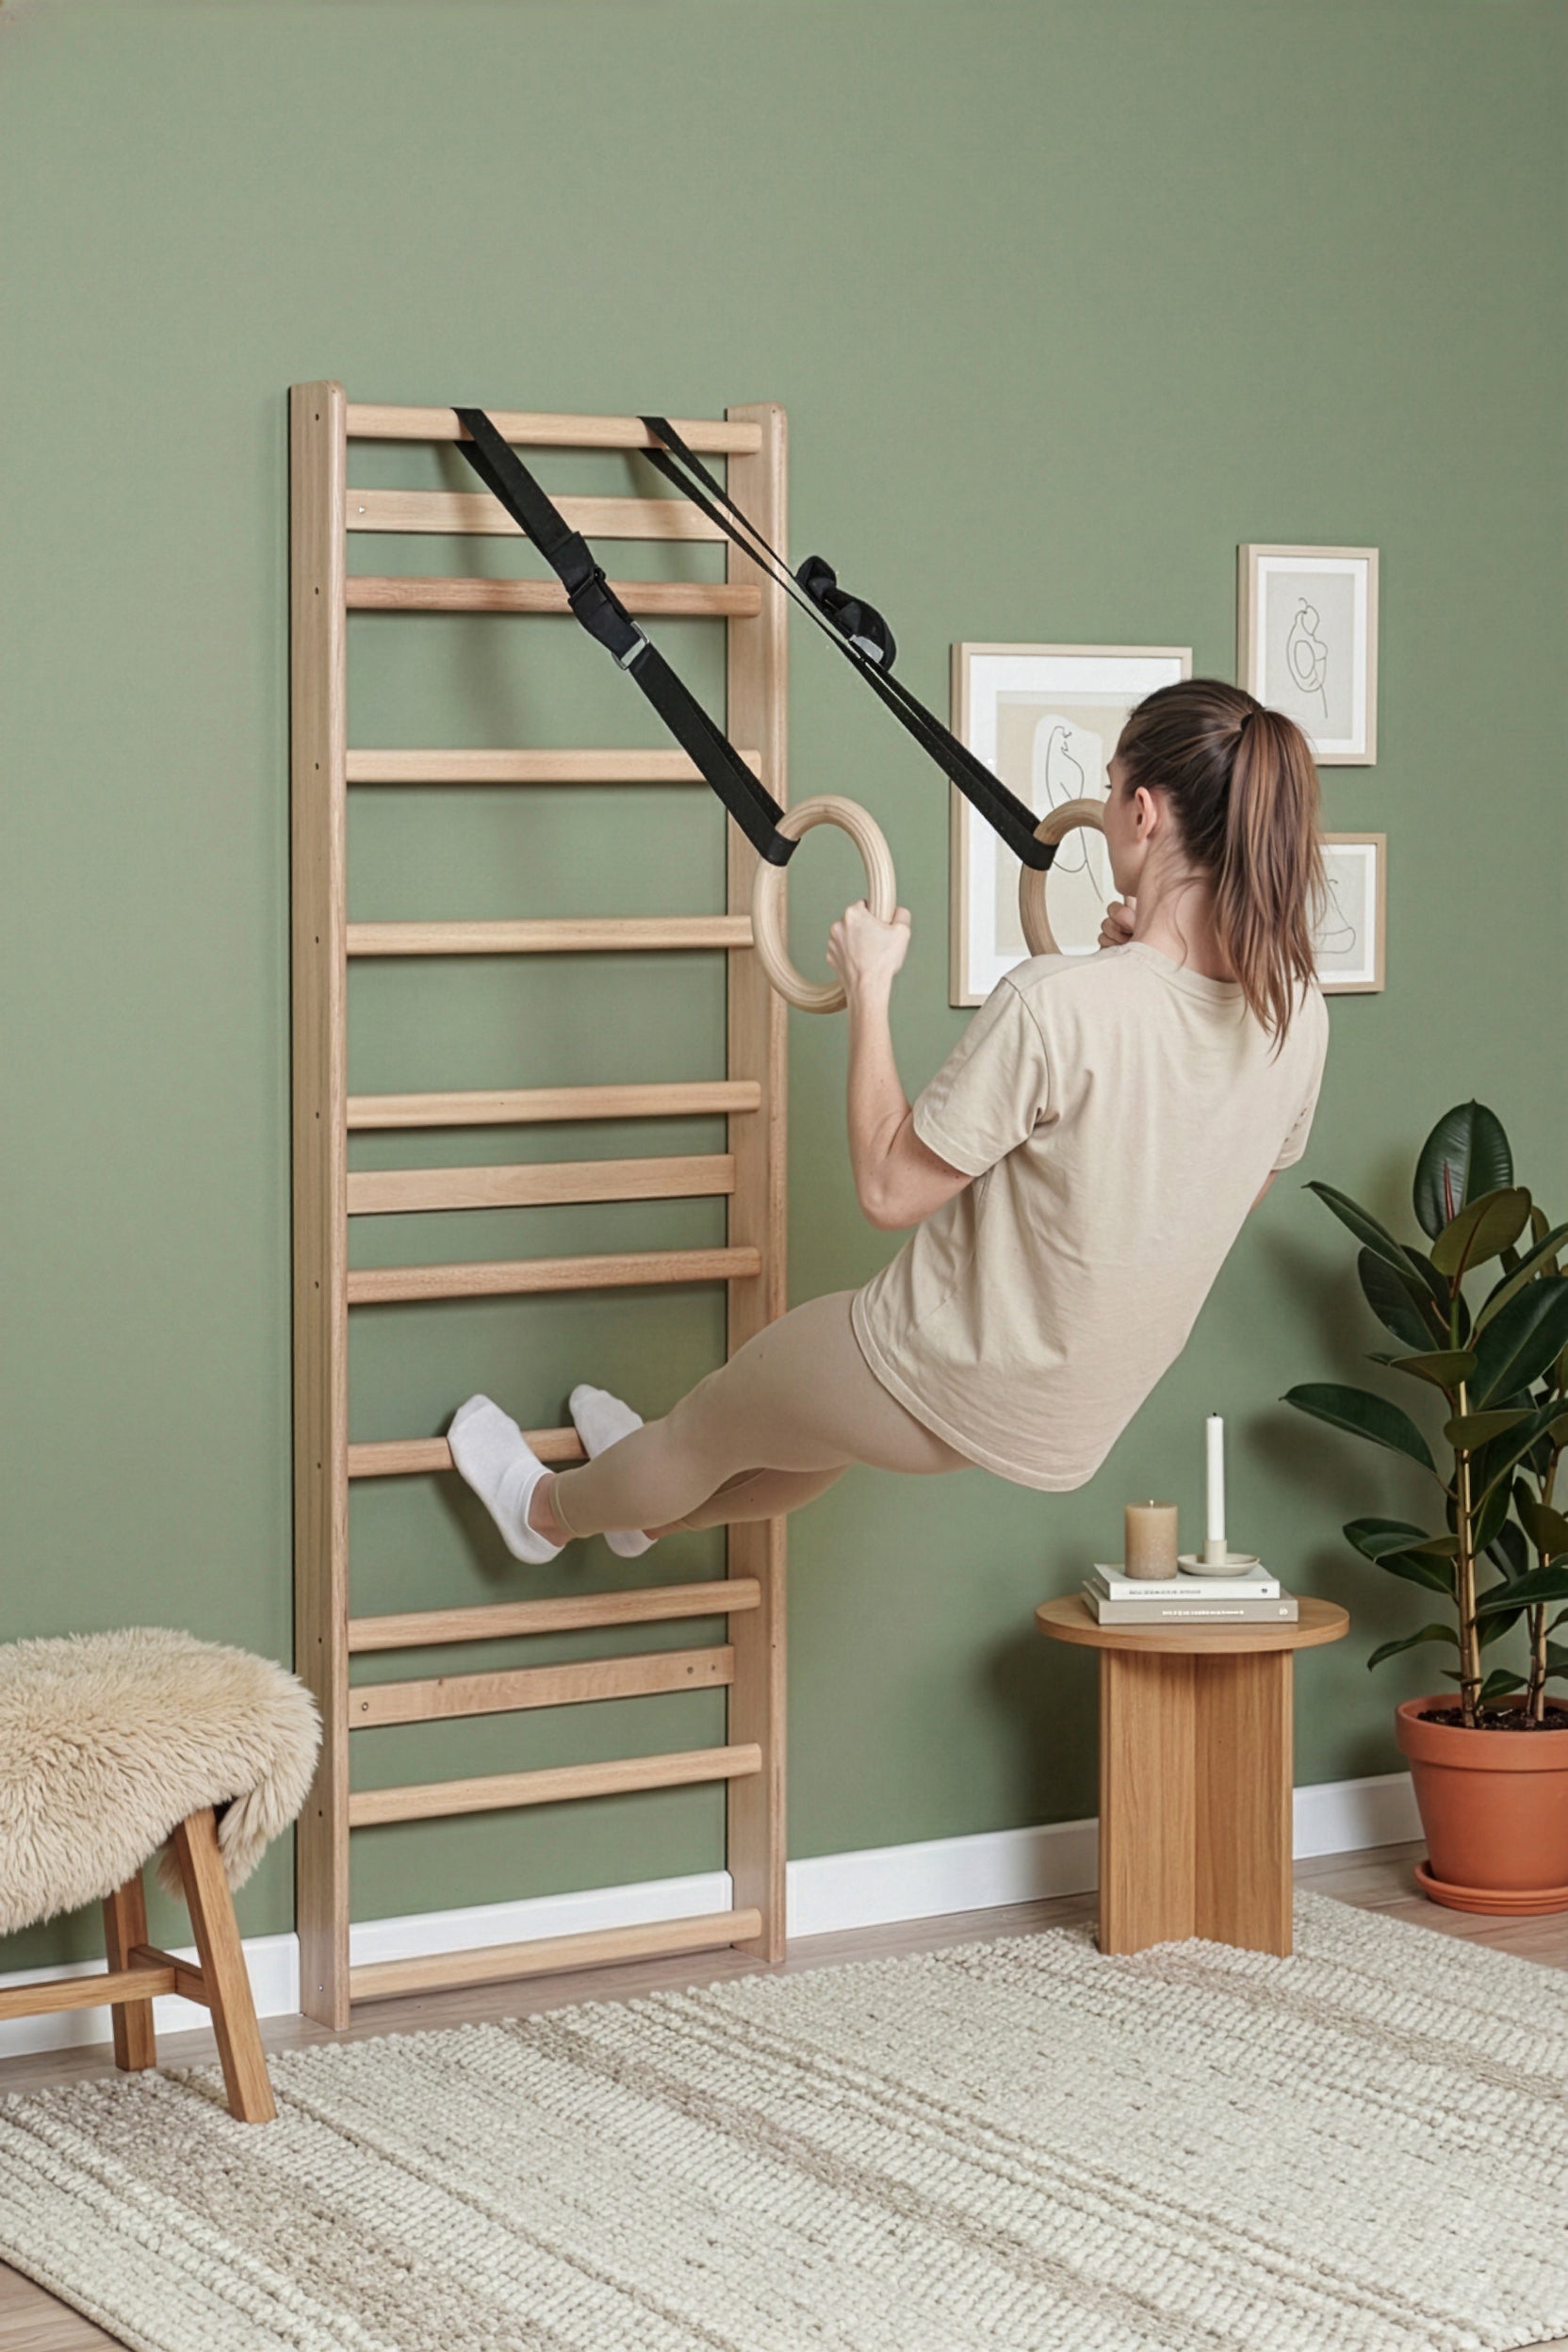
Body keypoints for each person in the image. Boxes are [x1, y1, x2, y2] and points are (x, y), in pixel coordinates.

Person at [449, 678, 1331, 1564]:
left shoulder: (1060, 1005)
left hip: (945, 1368)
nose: (1100, 813)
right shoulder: (1296, 1013)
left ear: (1142, 812)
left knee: (701, 1432)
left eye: (1108, 791)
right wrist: (1133, 969)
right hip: (1065, 1418)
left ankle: (544, 1512)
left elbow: (886, 1186)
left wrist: (868, 988)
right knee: (811, 1435)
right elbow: (1218, 1186)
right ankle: (638, 1512)